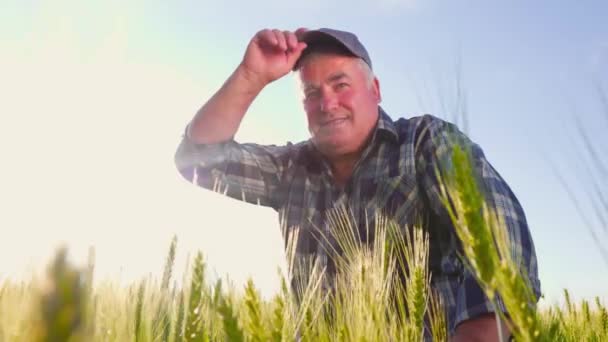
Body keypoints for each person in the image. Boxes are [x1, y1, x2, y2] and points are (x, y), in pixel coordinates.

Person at [174, 27, 541, 341]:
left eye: (340, 84)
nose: (327, 103)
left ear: (375, 90)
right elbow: (197, 160)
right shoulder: (291, 169)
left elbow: (500, 238)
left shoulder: (424, 142)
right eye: (312, 94)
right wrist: (251, 76)